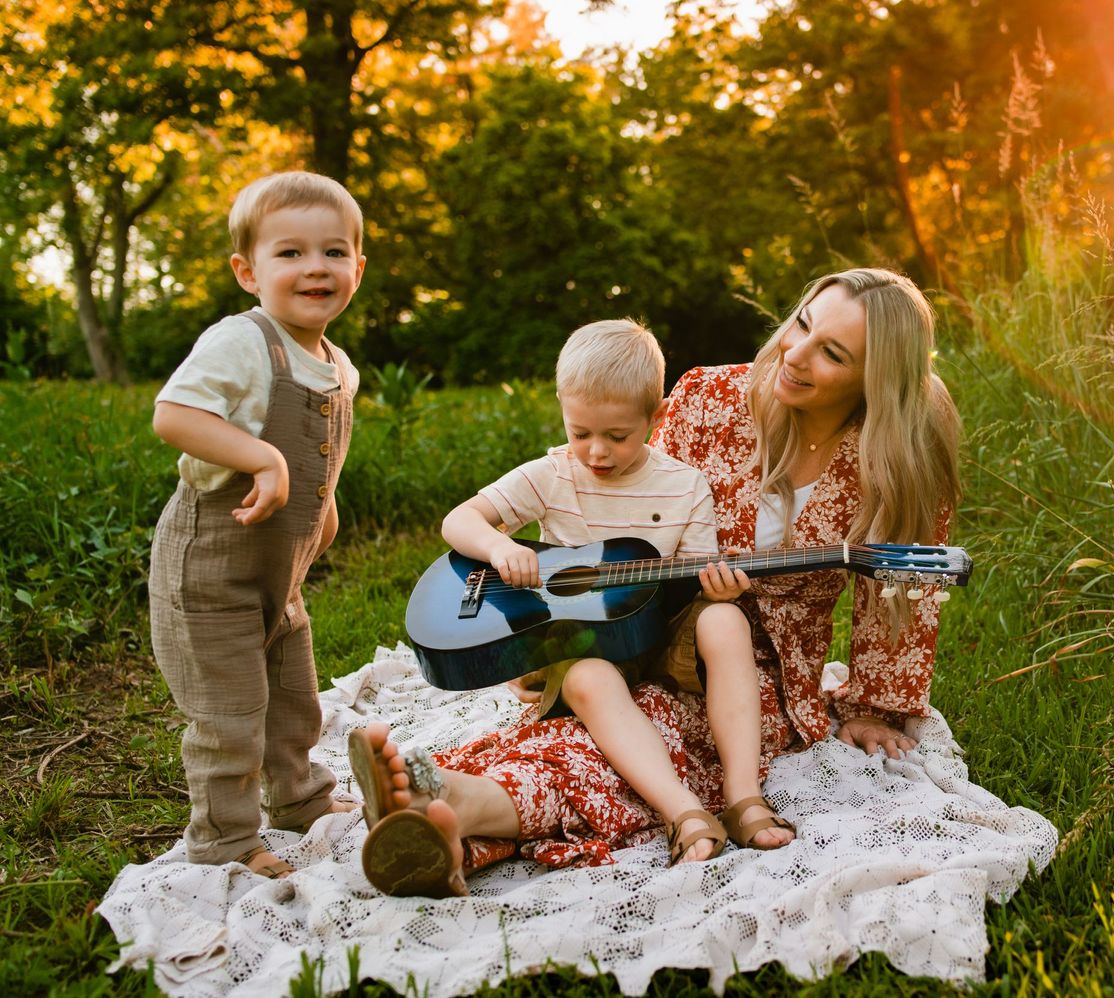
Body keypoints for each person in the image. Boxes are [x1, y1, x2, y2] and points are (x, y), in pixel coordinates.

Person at [350, 268, 960, 896]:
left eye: (832, 353)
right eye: (802, 323)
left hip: (758, 665)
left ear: (874, 378)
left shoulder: (892, 459)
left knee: (671, 742)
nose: (795, 354)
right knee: (609, 711)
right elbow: (624, 496)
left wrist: (874, 705)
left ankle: (456, 805)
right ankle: (449, 810)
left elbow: (901, 595)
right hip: (641, 628)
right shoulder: (706, 397)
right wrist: (552, 629)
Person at [409, 318, 793, 878]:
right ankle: (682, 812)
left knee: (725, 620)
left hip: (654, 634)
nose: (596, 451)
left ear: (656, 417)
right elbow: (459, 520)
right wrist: (497, 547)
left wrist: (717, 590)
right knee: (589, 676)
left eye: (617, 435)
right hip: (581, 642)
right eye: (579, 430)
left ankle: (742, 795)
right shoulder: (551, 474)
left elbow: (692, 582)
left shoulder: (684, 485)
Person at [148, 171, 366, 879]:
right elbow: (173, 416)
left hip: (281, 576)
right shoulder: (242, 342)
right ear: (248, 271)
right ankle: (225, 838)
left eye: (334, 252)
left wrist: (322, 504)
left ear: (358, 267)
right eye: (290, 253)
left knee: (296, 703)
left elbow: (323, 449)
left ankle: (299, 798)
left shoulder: (340, 365)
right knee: (230, 716)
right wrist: (261, 458)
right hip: (210, 572)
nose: (315, 268)